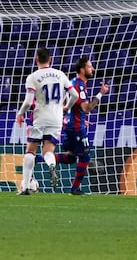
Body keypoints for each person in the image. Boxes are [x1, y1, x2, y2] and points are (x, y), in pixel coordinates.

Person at [16, 47, 78, 195]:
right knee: (48, 151)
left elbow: (28, 101)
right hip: (56, 119)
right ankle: (51, 164)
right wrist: (66, 108)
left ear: (36, 59)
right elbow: (74, 95)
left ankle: (25, 187)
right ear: (50, 59)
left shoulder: (33, 77)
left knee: (30, 151)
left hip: (40, 118)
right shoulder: (60, 74)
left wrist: (20, 113)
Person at [57, 56, 109, 195]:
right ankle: (75, 189)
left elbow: (66, 105)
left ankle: (38, 159)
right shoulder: (78, 85)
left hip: (73, 124)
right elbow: (87, 108)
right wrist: (100, 94)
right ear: (82, 69)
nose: (92, 69)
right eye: (89, 66)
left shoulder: (74, 83)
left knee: (71, 157)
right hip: (76, 128)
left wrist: (74, 118)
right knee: (85, 157)